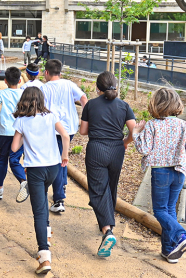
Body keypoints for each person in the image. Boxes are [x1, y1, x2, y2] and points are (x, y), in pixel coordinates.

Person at [133, 87, 186, 264]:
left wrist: (136, 133)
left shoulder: (153, 125)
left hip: (161, 171)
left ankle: (181, 235)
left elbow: (143, 149)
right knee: (169, 210)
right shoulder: (184, 125)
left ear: (156, 104)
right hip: (179, 172)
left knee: (160, 211)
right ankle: (169, 251)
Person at [10, 86, 70, 274]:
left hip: (35, 170)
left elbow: (13, 148)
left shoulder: (21, 121)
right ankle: (47, 232)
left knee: (38, 211)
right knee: (43, 198)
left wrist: (23, 137)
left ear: (25, 101)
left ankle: (44, 256)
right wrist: (64, 156)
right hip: (53, 167)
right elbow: (66, 136)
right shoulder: (50, 117)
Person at [79, 72, 136, 257]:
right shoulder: (124, 105)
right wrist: (125, 142)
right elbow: (133, 131)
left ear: (97, 88)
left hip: (96, 149)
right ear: (115, 87)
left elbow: (83, 131)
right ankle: (109, 224)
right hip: (117, 151)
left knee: (97, 189)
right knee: (111, 187)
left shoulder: (91, 105)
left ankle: (107, 231)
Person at [40, 59, 87, 213]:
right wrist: (87, 118)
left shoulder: (44, 88)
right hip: (70, 127)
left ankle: (59, 198)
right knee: (63, 157)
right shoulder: (69, 84)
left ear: (46, 72)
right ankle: (62, 185)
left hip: (53, 129)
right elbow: (84, 99)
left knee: (58, 161)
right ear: (59, 72)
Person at [0, 66, 27, 202]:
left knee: (3, 159)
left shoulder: (2, 93)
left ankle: (0, 189)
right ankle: (23, 181)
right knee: (15, 159)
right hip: (19, 132)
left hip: (4, 132)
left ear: (5, 81)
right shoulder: (24, 94)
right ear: (20, 80)